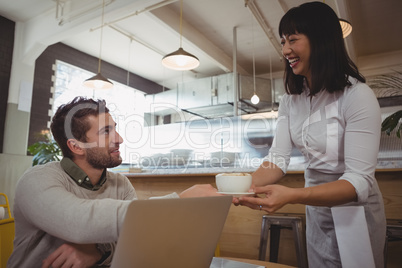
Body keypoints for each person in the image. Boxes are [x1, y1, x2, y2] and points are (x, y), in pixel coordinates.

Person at [235, 2, 386, 267]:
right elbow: (277, 158)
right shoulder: (291, 100)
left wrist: (292, 195)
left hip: (354, 213)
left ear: (321, 40)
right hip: (316, 210)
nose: (285, 50)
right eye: (283, 42)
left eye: (293, 40)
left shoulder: (357, 95)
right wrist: (241, 187)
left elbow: (358, 181)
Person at [8, 97, 219, 268]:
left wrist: (98, 251)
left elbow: (137, 242)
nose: (119, 138)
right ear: (77, 146)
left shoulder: (120, 184)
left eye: (114, 128)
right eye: (106, 132)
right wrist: (178, 202)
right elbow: (80, 221)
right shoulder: (36, 180)